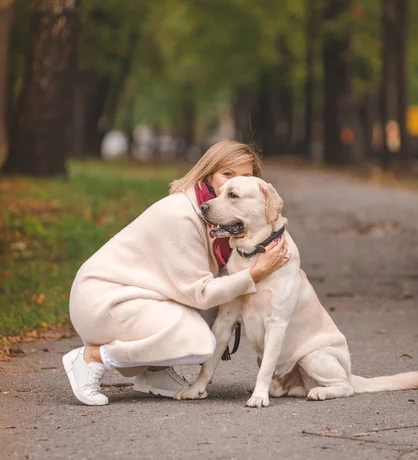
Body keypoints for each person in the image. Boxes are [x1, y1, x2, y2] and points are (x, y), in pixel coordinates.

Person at [63, 140, 290, 406]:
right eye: (227, 174)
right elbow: (202, 294)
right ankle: (93, 357)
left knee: (218, 307)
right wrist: (255, 273)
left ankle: (154, 373)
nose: (235, 184)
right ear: (208, 174)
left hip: (139, 296)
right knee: (198, 342)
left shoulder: (221, 218)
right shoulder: (182, 215)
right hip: (101, 300)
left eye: (246, 177)